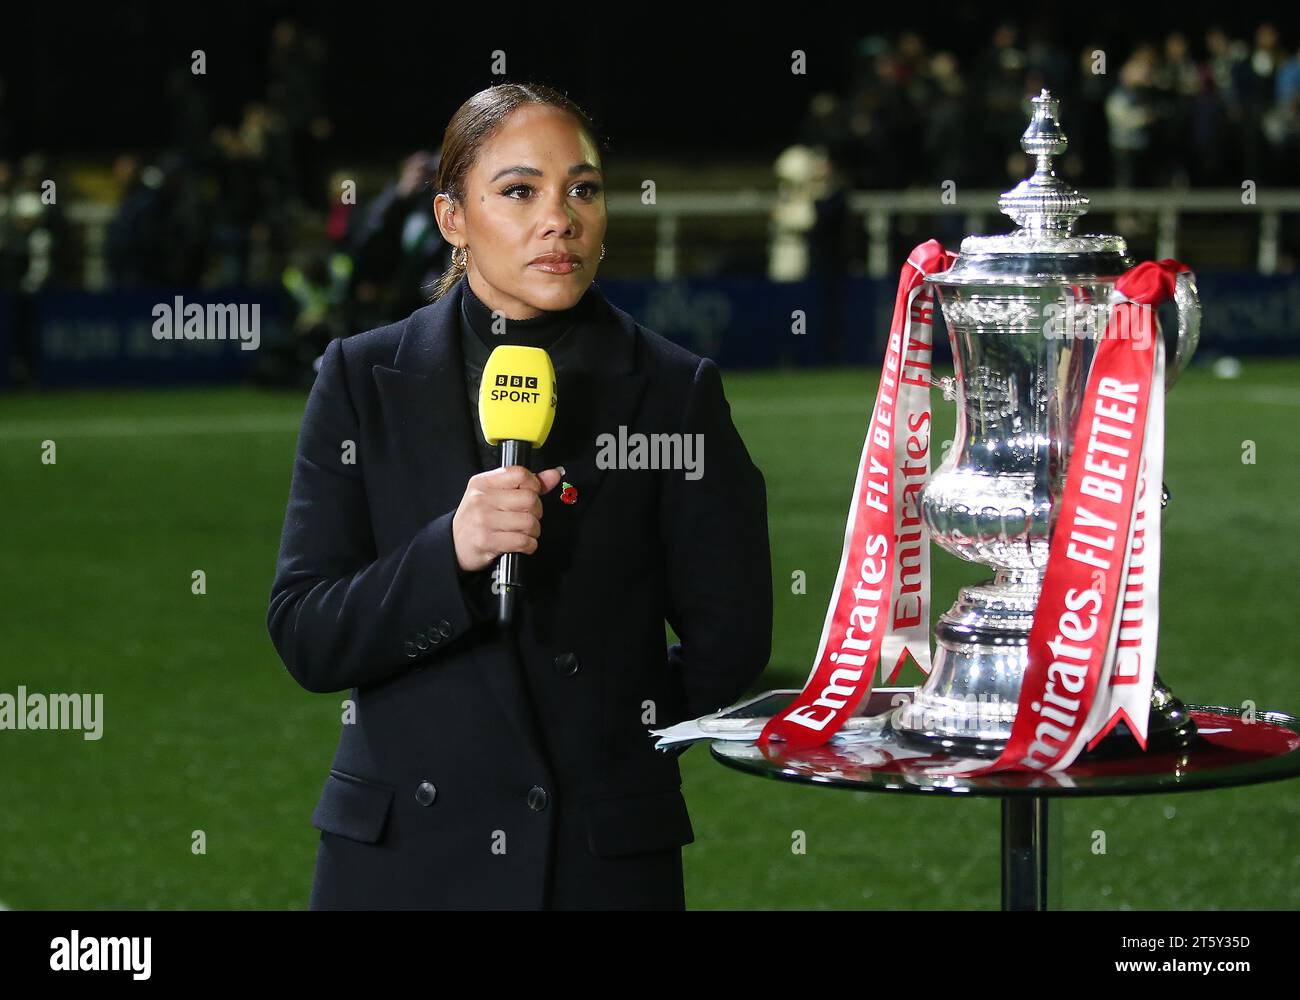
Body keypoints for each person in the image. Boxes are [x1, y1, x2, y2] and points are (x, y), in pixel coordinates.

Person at [266, 82, 773, 910]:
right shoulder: (361, 380)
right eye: (518, 191)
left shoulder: (676, 393)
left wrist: (610, 742)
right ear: (452, 220)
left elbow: (732, 637)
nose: (559, 218)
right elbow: (307, 633)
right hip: (399, 863)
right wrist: (450, 554)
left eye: (583, 188)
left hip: (594, 863)